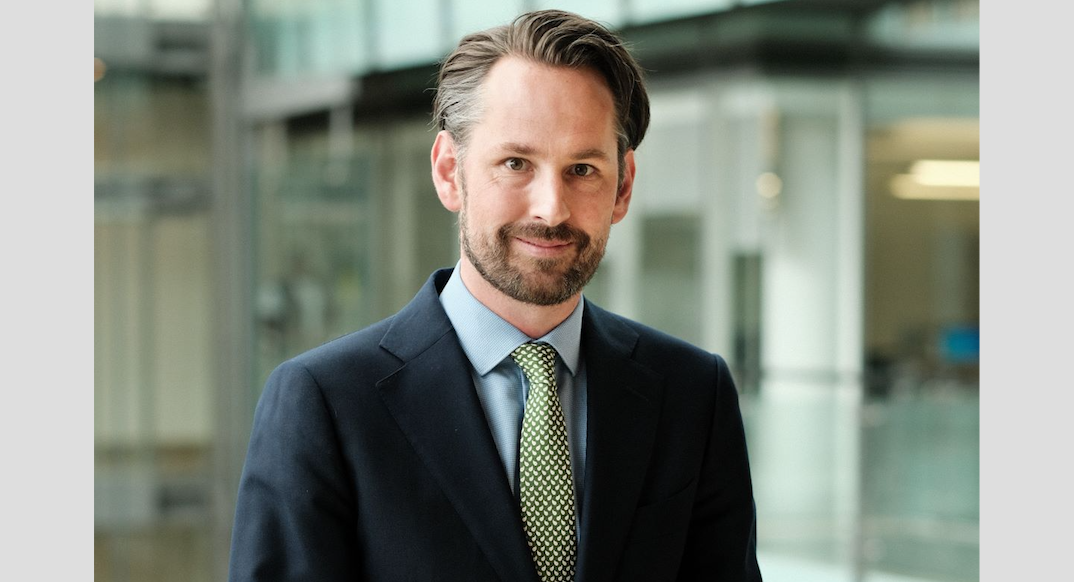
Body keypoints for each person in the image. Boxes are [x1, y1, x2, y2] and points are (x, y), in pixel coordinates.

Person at [228, 9, 761, 582]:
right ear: (449, 172)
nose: (551, 208)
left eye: (582, 169)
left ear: (623, 185)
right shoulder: (326, 404)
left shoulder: (691, 395)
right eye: (515, 163)